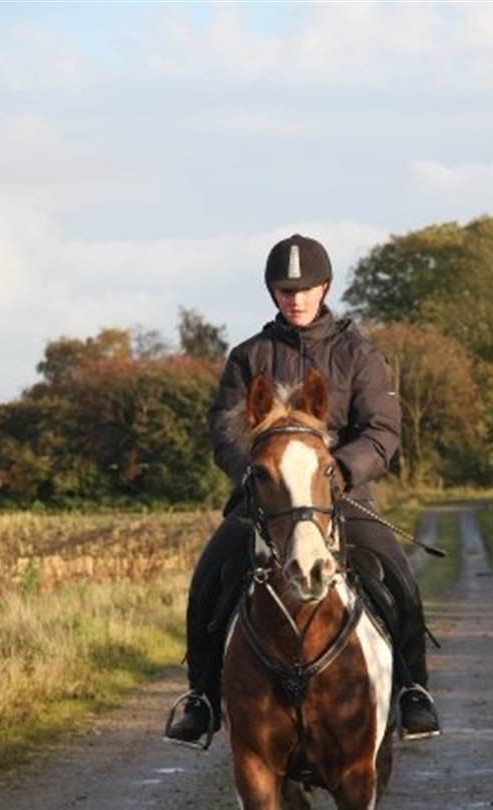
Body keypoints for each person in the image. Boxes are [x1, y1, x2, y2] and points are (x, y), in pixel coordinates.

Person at [165, 233, 440, 747]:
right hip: (266, 504)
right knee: (210, 575)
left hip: (343, 498)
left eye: (305, 288)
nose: (295, 298)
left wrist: (337, 472)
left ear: (325, 288)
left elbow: (382, 431)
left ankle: (412, 690)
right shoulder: (249, 356)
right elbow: (224, 431)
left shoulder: (358, 354)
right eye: (285, 289)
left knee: (398, 574)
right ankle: (201, 697)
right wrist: (258, 474)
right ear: (273, 293)